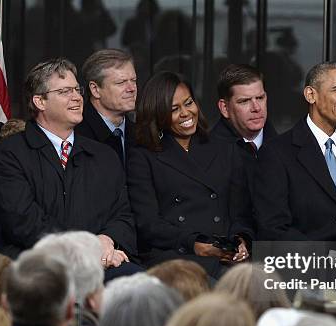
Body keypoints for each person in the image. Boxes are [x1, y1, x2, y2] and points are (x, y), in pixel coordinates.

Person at [0, 57, 139, 280]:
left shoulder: (104, 155)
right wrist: (86, 248)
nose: (77, 98)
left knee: (142, 289)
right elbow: (24, 222)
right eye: (65, 92)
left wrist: (107, 240)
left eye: (77, 90)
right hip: (39, 265)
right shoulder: (9, 155)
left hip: (104, 263)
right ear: (40, 102)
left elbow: (123, 215)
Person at [127, 71, 254, 278]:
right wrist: (194, 244)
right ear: (157, 114)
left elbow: (241, 212)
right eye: (174, 109)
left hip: (225, 254)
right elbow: (148, 224)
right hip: (175, 255)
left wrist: (240, 241)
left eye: (189, 103)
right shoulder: (143, 157)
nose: (186, 113)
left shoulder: (224, 148)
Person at [254, 62, 336, 242]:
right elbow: (273, 227)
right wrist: (332, 260)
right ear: (311, 95)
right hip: (305, 266)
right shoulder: (277, 152)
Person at [76, 49, 137, 167]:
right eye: (121, 82)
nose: (131, 89)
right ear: (95, 89)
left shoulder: (142, 135)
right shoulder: (74, 136)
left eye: (133, 81)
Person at [211, 64, 277, 164]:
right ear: (225, 108)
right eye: (245, 101)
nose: (256, 108)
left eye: (260, 98)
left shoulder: (288, 147)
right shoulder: (208, 155)